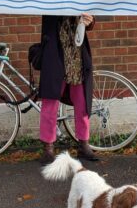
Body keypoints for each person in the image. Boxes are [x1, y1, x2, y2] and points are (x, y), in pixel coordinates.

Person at [37, 14, 100, 165]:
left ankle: (83, 143)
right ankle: (48, 146)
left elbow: (89, 21)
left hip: (77, 57)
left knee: (82, 103)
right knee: (50, 103)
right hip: (56, 55)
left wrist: (90, 21)